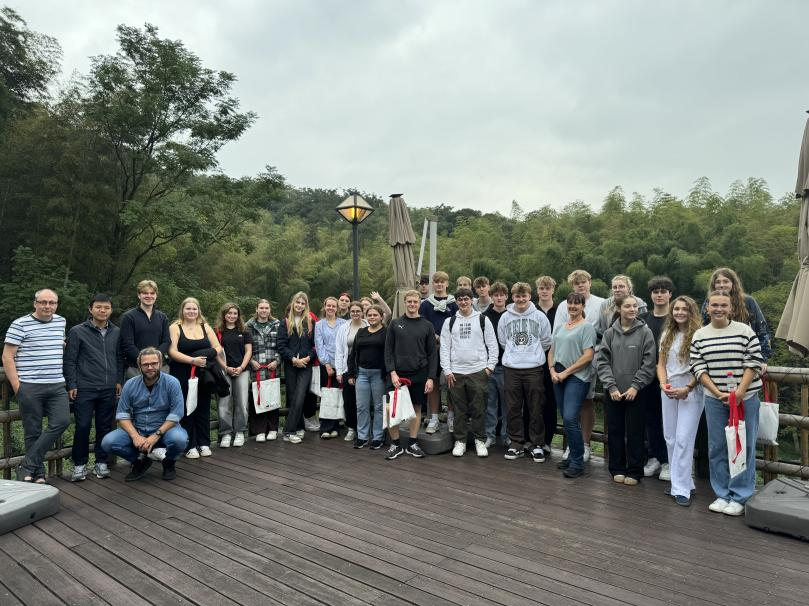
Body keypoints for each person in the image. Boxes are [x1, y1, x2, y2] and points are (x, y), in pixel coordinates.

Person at [690, 290, 763, 516]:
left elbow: (754, 361)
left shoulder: (745, 331)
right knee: (717, 446)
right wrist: (717, 392)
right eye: (714, 305)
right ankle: (722, 493)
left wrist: (739, 392)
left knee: (744, 445)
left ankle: (740, 495)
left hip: (745, 398)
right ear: (707, 308)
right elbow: (698, 367)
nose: (719, 309)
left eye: (723, 305)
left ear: (731, 308)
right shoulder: (700, 335)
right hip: (714, 399)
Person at [3, 288, 70, 483]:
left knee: (62, 421)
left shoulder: (61, 321)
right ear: (35, 303)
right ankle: (37, 473)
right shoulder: (19, 324)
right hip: (30, 386)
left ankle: (27, 464)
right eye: (43, 302)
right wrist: (18, 387)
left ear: (56, 305)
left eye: (52, 302)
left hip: (57, 384)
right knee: (32, 431)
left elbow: (58, 343)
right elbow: (7, 357)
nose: (47, 306)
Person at [101, 347, 188, 481]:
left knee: (179, 439)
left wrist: (156, 435)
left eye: (154, 363)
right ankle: (139, 461)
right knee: (108, 442)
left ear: (160, 363)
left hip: (165, 429)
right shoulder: (130, 384)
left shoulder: (172, 383)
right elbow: (122, 414)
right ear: (139, 366)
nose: (150, 367)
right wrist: (135, 436)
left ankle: (169, 461)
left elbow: (177, 413)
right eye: (145, 364)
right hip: (139, 428)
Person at [596, 294, 656, 485]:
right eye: (628, 306)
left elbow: (649, 363)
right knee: (615, 430)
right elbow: (602, 362)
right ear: (619, 309)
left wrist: (636, 386)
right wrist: (611, 386)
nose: (632, 309)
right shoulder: (609, 333)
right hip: (613, 392)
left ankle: (635, 471)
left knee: (636, 432)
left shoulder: (645, 332)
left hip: (636, 392)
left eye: (635, 306)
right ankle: (617, 468)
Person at [64, 294, 124, 481]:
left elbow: (119, 358)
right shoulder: (77, 331)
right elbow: (70, 360)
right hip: (85, 387)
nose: (102, 310)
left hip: (108, 387)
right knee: (82, 426)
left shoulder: (116, 332)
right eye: (98, 307)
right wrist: (71, 383)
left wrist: (118, 380)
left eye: (106, 307)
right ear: (90, 309)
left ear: (111, 310)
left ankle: (101, 462)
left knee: (104, 426)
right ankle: (79, 465)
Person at [497, 282, 553, 463]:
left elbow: (546, 341)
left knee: (536, 406)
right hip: (511, 368)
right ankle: (516, 443)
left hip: (534, 368)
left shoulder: (539, 316)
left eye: (524, 296)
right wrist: (515, 355)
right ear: (512, 297)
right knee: (513, 407)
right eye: (517, 296)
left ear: (530, 296)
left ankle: (537, 444)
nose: (521, 299)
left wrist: (532, 355)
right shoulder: (505, 317)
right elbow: (503, 341)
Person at [440, 287, 498, 458]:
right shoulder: (449, 322)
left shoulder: (482, 319)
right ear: (456, 302)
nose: (463, 302)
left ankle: (480, 440)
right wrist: (447, 370)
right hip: (456, 372)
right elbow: (445, 348)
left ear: (471, 300)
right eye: (460, 299)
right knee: (459, 409)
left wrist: (490, 367)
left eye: (466, 299)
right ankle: (461, 441)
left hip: (478, 370)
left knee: (479, 408)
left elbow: (492, 345)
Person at [554, 270, 605, 463]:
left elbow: (606, 331)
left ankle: (585, 444)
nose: (580, 285)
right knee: (568, 408)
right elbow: (558, 334)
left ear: (590, 282)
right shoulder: (563, 305)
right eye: (576, 283)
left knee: (587, 401)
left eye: (583, 282)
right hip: (564, 361)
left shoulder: (601, 303)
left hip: (590, 358)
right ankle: (573, 446)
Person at [657, 296, 703, 506]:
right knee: (671, 437)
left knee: (684, 438)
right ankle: (681, 482)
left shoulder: (699, 335)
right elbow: (661, 364)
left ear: (691, 312)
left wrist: (688, 388)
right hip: (669, 387)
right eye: (676, 309)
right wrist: (663, 384)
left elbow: (702, 367)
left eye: (684, 309)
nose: (680, 312)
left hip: (691, 389)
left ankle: (681, 489)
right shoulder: (667, 333)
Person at [384, 289, 437, 460]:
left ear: (419, 303)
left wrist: (431, 377)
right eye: (409, 301)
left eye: (415, 301)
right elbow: (388, 351)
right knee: (390, 409)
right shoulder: (395, 324)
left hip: (419, 373)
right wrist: (392, 373)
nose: (412, 304)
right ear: (405, 303)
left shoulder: (427, 325)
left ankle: (412, 443)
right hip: (397, 374)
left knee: (416, 409)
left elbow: (432, 354)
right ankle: (395, 444)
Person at [548, 292, 596, 478]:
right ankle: (571, 457)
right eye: (570, 303)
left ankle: (577, 462)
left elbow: (588, 355)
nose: (573, 306)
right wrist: (552, 370)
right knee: (567, 418)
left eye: (577, 303)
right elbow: (552, 351)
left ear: (583, 306)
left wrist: (565, 373)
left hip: (576, 376)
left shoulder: (587, 327)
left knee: (570, 417)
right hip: (558, 375)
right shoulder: (561, 327)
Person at [168, 297, 224, 459]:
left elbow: (218, 347)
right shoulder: (175, 327)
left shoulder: (205, 326)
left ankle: (204, 443)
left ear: (198, 310)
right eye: (188, 308)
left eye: (194, 309)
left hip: (203, 374)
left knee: (203, 406)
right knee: (187, 408)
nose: (191, 311)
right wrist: (192, 360)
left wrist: (204, 355)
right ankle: (190, 445)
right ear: (182, 310)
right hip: (183, 373)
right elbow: (172, 351)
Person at [699, 268, 771, 370]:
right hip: (716, 358)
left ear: (733, 283)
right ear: (713, 285)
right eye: (718, 282)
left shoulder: (748, 301)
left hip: (745, 358)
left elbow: (762, 331)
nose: (721, 285)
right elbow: (702, 330)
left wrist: (762, 359)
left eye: (726, 281)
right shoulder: (708, 302)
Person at [642, 276, 675, 480]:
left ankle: (669, 461)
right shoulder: (643, 319)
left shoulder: (676, 317)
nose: (659, 295)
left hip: (671, 378)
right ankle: (654, 457)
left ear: (670, 294)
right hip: (647, 377)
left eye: (663, 291)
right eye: (656, 292)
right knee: (651, 419)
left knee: (670, 422)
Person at [420, 270, 458, 433]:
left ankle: (451, 417)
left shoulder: (454, 303)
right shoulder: (426, 305)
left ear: (447, 284)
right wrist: (436, 337)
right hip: (433, 348)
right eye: (436, 282)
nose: (439, 284)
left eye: (442, 282)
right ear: (433, 284)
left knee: (451, 382)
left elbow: (458, 323)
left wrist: (446, 339)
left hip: (451, 349)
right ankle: (434, 418)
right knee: (433, 382)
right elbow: (423, 324)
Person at [278, 291, 317, 444]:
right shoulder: (285, 322)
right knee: (293, 397)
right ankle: (299, 426)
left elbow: (315, 345)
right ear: (293, 303)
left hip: (306, 365)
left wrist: (308, 358)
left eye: (303, 303)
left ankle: (288, 431)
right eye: (298, 302)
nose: (300, 305)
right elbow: (281, 346)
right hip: (291, 365)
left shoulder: (310, 322)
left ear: (306, 305)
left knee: (300, 395)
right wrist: (293, 359)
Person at [215, 302, 253, 448]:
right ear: (224, 314)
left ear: (238, 315)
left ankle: (240, 432)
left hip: (242, 370)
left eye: (235, 313)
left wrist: (242, 367)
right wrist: (225, 367)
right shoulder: (217, 331)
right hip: (224, 370)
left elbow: (248, 350)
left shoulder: (244, 330)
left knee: (242, 402)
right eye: (229, 313)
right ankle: (225, 433)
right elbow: (215, 352)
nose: (232, 316)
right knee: (224, 402)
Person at [349, 304, 386, 449]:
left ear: (381, 317)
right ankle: (363, 436)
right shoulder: (361, 332)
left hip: (379, 374)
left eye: (375, 315)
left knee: (379, 407)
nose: (372, 317)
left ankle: (378, 437)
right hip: (362, 373)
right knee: (361, 406)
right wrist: (351, 373)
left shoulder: (386, 332)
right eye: (369, 315)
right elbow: (353, 353)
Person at [119, 279, 170, 379]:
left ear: (156, 295)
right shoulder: (128, 317)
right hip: (136, 368)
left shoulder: (162, 317)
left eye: (152, 293)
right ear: (139, 295)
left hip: (160, 367)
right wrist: (145, 361)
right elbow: (127, 344)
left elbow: (166, 341)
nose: (149, 296)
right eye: (145, 293)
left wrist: (155, 359)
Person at [246, 299, 281, 442]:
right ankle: (259, 430)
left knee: (272, 396)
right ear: (256, 309)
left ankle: (272, 428)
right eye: (261, 308)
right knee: (257, 397)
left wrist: (277, 361)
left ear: (270, 310)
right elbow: (244, 347)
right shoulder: (248, 326)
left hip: (272, 366)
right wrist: (250, 361)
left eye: (266, 308)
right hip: (256, 368)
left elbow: (282, 345)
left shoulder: (277, 325)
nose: (264, 310)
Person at [335, 300, 368, 443]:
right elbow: (339, 351)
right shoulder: (343, 328)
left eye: (358, 311)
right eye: (353, 311)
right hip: (348, 366)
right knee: (349, 399)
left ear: (363, 312)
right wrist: (339, 371)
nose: (355, 313)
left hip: (365, 365)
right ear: (349, 312)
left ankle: (364, 429)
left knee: (364, 401)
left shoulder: (368, 325)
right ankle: (351, 428)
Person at [314, 296, 346, 438]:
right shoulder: (319, 325)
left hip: (341, 365)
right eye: (329, 305)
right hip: (326, 365)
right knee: (327, 396)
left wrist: (340, 366)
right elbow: (319, 346)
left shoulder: (343, 323)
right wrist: (327, 364)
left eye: (334, 306)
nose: (331, 308)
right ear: (324, 307)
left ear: (337, 308)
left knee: (338, 395)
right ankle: (325, 428)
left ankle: (335, 427)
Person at [483, 281, 509, 448]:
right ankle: (490, 435)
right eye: (496, 295)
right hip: (489, 367)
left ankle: (506, 435)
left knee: (508, 404)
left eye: (502, 295)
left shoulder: (512, 315)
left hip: (508, 366)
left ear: (506, 297)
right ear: (491, 297)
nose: (499, 298)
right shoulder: (484, 316)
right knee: (490, 404)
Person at [536, 275, 558, 454]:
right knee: (532, 401)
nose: (544, 291)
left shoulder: (560, 310)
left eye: (547, 288)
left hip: (554, 361)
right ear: (537, 290)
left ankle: (547, 440)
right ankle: (531, 438)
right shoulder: (531, 309)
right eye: (541, 288)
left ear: (553, 290)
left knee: (551, 401)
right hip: (533, 361)